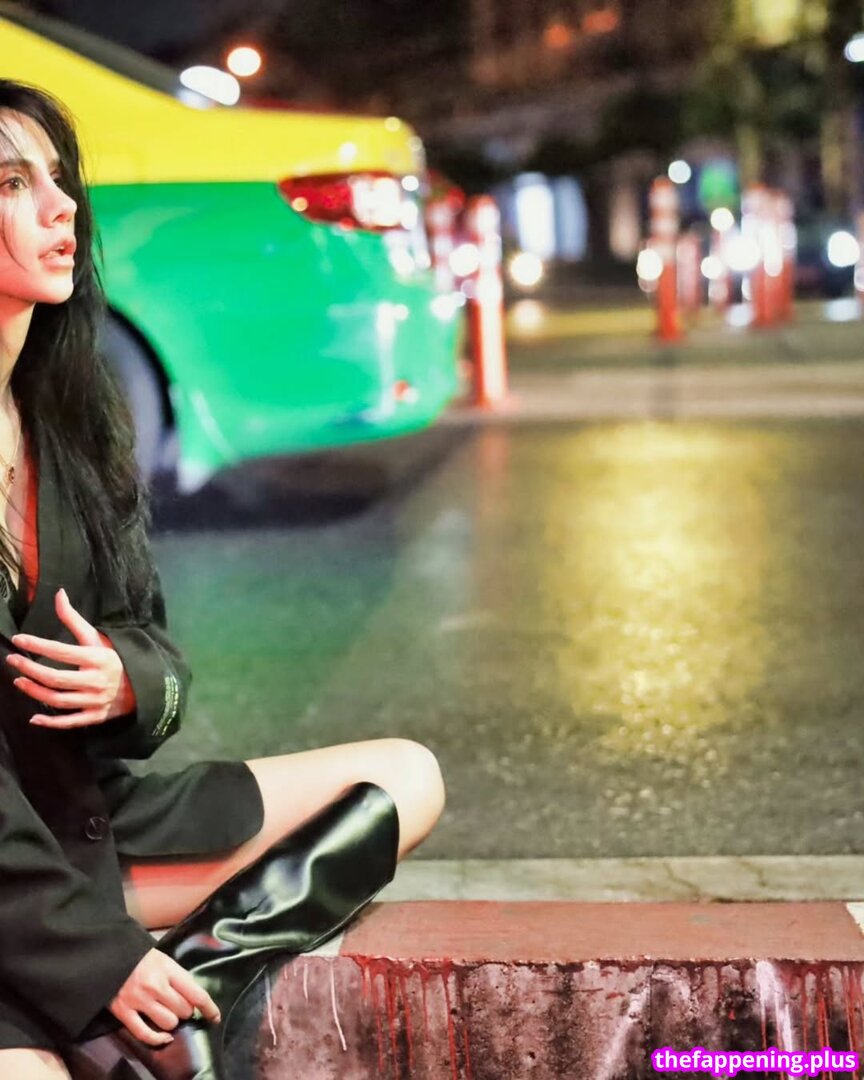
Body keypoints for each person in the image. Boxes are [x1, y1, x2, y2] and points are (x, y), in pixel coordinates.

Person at [0, 79, 446, 1080]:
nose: (63, 207)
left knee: (407, 777)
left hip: (89, 828)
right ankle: (123, 1010)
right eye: (11, 184)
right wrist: (98, 961)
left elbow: (153, 641)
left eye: (59, 180)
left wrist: (125, 682)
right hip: (14, 882)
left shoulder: (72, 416)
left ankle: (197, 982)